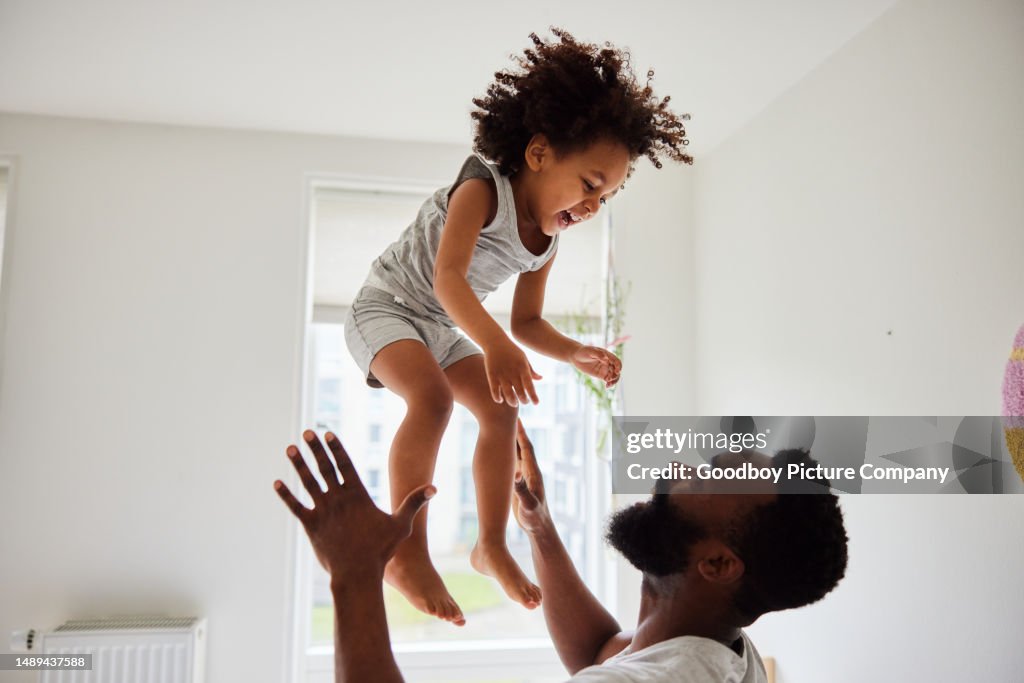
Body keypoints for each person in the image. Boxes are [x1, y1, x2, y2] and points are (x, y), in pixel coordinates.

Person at [343, 27, 692, 625]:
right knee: (430, 400)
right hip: (388, 306)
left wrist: (577, 352)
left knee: (502, 412)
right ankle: (406, 549)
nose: (592, 206)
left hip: (445, 326)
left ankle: (491, 545)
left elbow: (527, 323)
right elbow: (449, 278)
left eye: (605, 198)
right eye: (589, 184)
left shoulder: (545, 242)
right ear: (537, 154)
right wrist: (495, 344)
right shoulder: (480, 187)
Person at [274, 426, 849, 682]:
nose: (678, 471)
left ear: (719, 565)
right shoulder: (722, 652)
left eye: (706, 480)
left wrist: (353, 574)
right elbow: (604, 653)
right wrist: (539, 528)